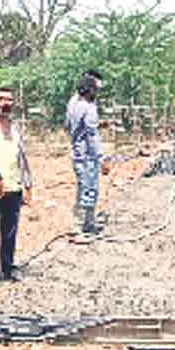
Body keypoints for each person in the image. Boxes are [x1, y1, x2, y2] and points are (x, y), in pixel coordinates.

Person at [0, 86, 33, 283]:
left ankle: (8, 268)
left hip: (14, 186)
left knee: (10, 231)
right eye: (1, 99)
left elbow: (22, 158)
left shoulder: (16, 127)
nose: (5, 103)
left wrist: (28, 185)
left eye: (9, 100)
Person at [65, 70, 104, 238]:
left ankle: (83, 224)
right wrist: (102, 158)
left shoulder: (73, 104)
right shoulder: (89, 108)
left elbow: (68, 126)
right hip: (88, 156)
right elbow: (92, 136)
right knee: (89, 189)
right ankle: (82, 227)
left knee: (83, 188)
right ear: (90, 90)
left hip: (77, 154)